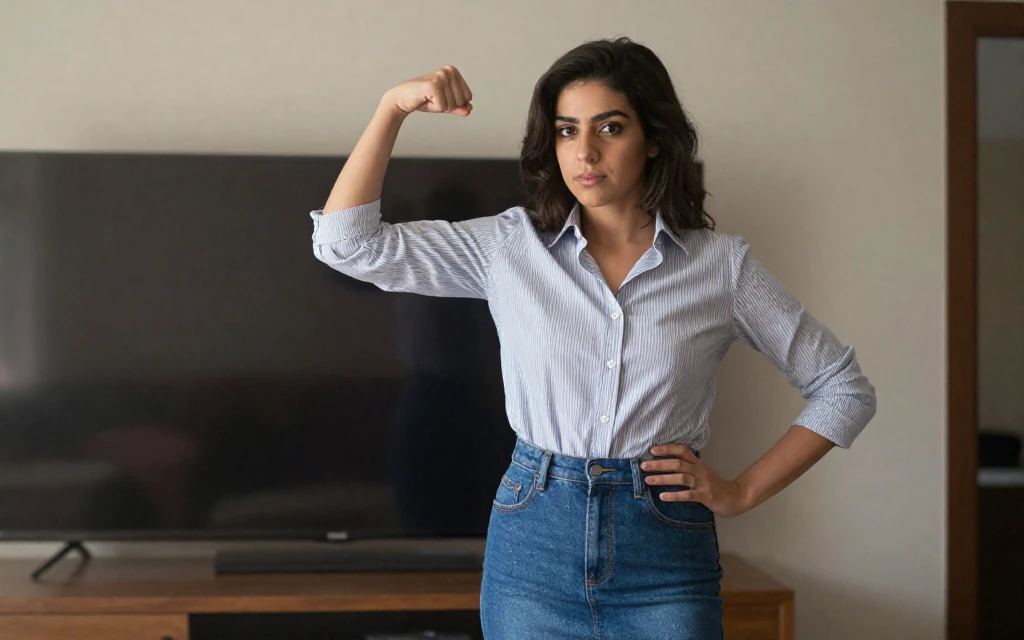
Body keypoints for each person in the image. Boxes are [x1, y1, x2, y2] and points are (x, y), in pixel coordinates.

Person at [308, 37, 876, 640]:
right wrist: (392, 108)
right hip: (533, 542)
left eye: (610, 128)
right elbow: (347, 245)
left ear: (653, 139)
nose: (584, 152)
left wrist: (740, 492)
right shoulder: (508, 249)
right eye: (566, 130)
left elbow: (844, 388)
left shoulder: (721, 268)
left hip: (664, 551)